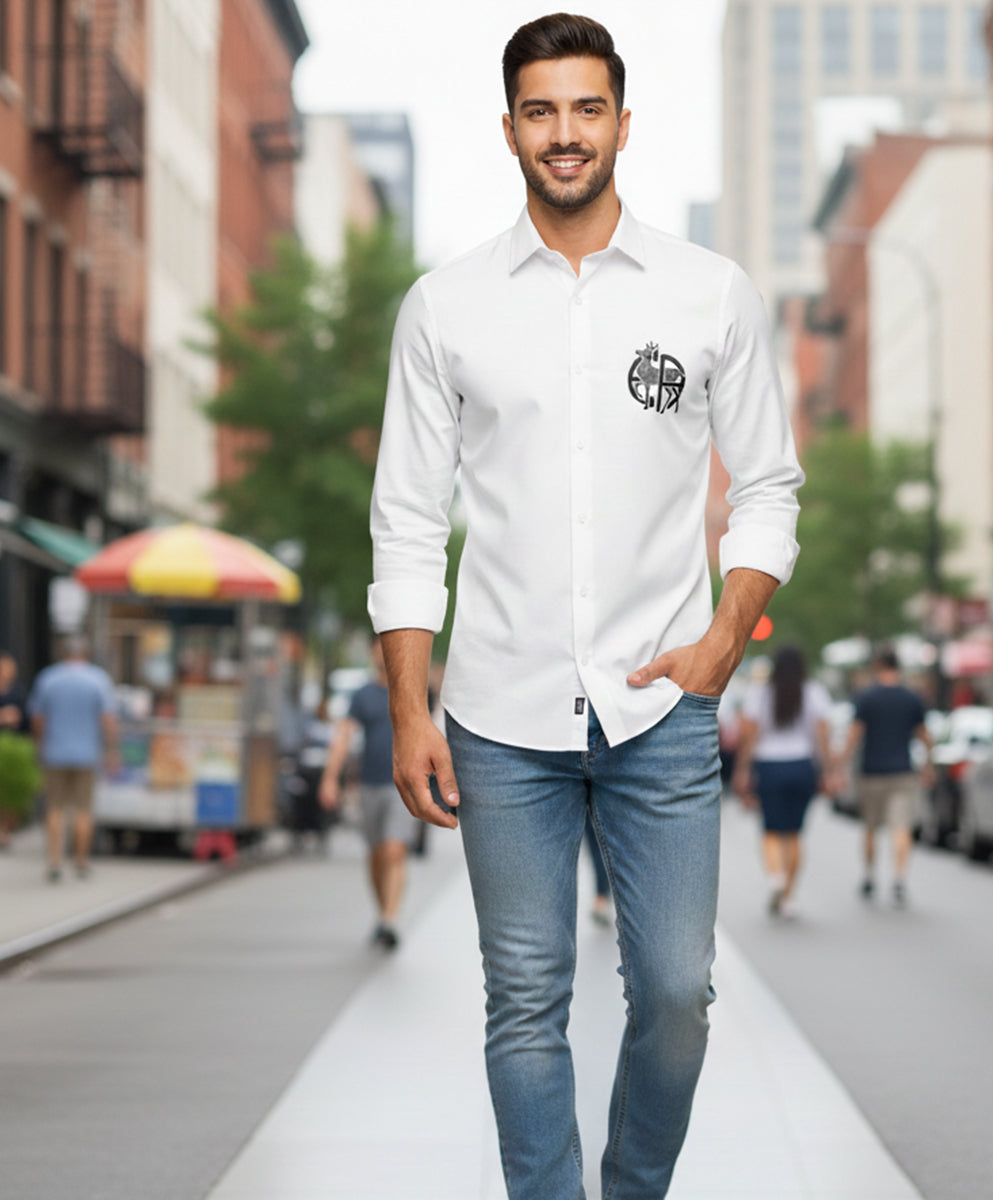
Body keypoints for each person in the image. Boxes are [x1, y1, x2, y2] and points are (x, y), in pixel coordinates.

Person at [367, 15, 804, 1199]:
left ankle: (632, 1189)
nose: (566, 134)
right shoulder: (444, 307)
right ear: (509, 127)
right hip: (498, 711)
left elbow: (767, 486)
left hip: (660, 706)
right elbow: (405, 522)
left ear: (622, 122)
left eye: (587, 109)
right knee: (525, 999)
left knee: (674, 991)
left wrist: (722, 640)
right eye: (542, 111)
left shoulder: (711, 293)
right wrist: (410, 710)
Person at [319, 639, 420, 951]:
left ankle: (390, 920)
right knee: (376, 854)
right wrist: (330, 778)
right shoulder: (362, 695)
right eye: (379, 644)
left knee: (394, 850)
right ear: (373, 652)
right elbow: (343, 736)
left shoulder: (413, 691)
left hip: (402, 785)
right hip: (369, 784)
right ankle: (382, 914)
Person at [733, 645, 832, 918]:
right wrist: (827, 769)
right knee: (795, 833)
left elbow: (749, 737)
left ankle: (775, 877)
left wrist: (743, 770)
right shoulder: (814, 692)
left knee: (771, 830)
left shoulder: (760, 695)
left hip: (769, 766)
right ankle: (789, 895)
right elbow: (822, 735)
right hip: (802, 765)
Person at [835, 647, 932, 908]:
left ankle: (869, 875)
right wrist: (929, 765)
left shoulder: (866, 698)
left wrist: (840, 765)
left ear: (879, 666)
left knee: (870, 827)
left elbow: (854, 735)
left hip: (872, 772)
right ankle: (899, 878)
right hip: (903, 772)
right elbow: (924, 736)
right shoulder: (912, 698)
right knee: (901, 828)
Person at [28, 636, 118, 882]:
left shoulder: (48, 678)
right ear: (86, 654)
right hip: (87, 753)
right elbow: (108, 719)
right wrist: (112, 749)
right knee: (83, 809)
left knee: (54, 807)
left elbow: (37, 718)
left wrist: (41, 743)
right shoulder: (97, 679)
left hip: (54, 752)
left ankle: (54, 860)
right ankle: (80, 861)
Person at [0, 651, 29, 849]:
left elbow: (27, 719)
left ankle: (6, 830)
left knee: (11, 792)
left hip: (14, 748)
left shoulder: (18, 692)